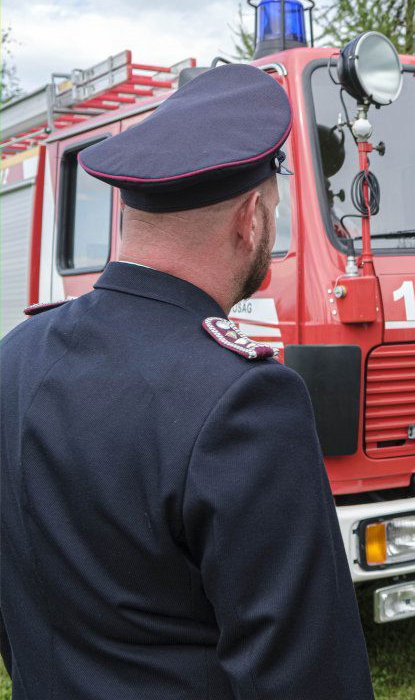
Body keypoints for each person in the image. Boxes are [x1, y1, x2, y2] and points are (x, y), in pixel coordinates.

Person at [0, 64, 375, 699]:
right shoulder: (245, 400)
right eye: (274, 211)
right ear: (249, 219)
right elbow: (306, 671)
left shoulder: (15, 357)